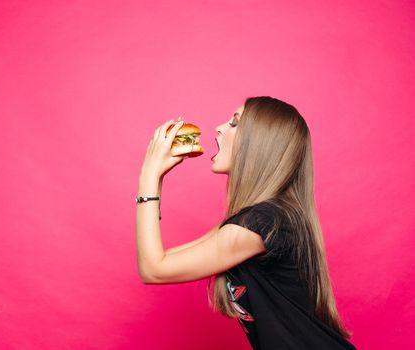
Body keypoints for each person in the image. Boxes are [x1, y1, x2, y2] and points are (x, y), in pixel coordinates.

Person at [135, 96, 357, 349]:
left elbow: (154, 269)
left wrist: (149, 175)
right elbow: (161, 260)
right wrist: (156, 177)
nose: (219, 127)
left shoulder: (264, 223)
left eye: (234, 123)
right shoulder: (255, 220)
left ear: (258, 144)